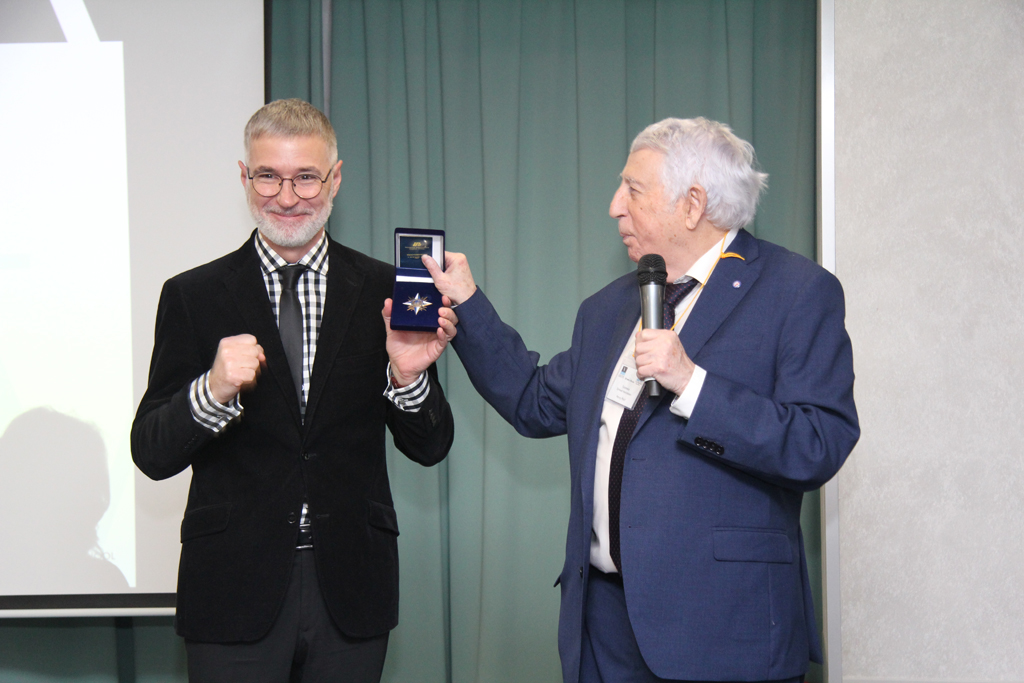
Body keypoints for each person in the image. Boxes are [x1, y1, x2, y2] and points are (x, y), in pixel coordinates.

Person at [423, 117, 859, 683]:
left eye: (632, 190)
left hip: (725, 630)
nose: (614, 207)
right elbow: (533, 400)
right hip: (604, 627)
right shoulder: (608, 309)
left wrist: (692, 383)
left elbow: (818, 443)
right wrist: (467, 302)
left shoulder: (796, 291)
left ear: (692, 204)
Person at [131, 99, 458, 683]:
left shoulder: (387, 289)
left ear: (335, 179)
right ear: (243, 176)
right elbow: (151, 452)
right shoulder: (192, 295)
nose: (286, 197)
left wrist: (408, 378)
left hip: (351, 588)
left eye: (306, 177)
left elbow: (431, 445)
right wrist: (212, 390)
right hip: (231, 590)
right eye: (268, 176)